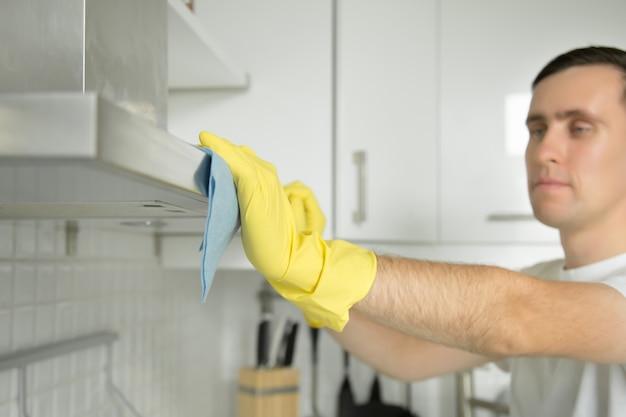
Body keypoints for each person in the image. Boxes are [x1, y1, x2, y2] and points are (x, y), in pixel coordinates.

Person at [199, 45, 626, 417]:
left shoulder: (532, 301)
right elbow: (404, 356)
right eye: (537, 130)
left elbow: (511, 316)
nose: (544, 150)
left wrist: (315, 265)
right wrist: (305, 283)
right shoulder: (543, 280)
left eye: (579, 128)